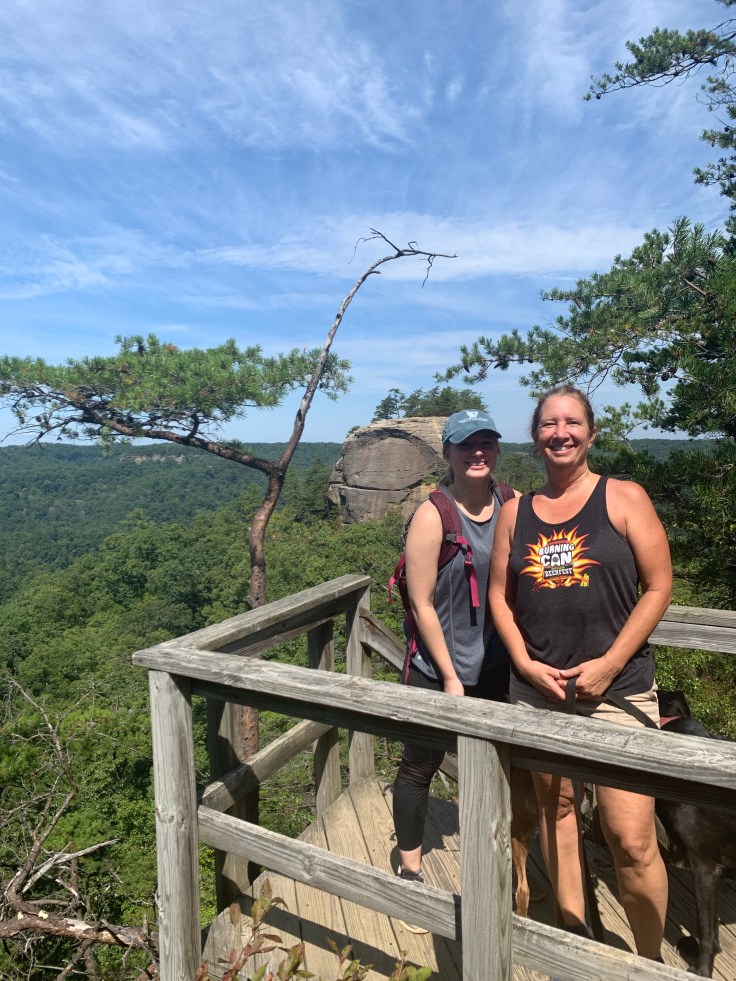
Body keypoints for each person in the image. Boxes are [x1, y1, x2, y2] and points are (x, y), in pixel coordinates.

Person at [489, 385, 671, 961]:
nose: (560, 433)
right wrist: (523, 663)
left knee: (632, 839)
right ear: (535, 436)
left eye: (572, 422)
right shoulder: (515, 513)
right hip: (539, 692)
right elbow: (499, 597)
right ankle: (576, 948)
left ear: (591, 433)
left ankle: (648, 963)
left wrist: (610, 664)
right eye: (549, 423)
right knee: (558, 814)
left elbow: (659, 586)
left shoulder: (624, 497)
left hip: (619, 692)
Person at [392, 408, 518, 882]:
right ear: (447, 452)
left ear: (498, 449)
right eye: (466, 444)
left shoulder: (512, 503)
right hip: (436, 667)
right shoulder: (433, 515)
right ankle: (410, 868)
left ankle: (499, 865)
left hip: (496, 665)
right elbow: (421, 603)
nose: (477, 452)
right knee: (419, 766)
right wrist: (449, 676)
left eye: (486, 442)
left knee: (499, 766)